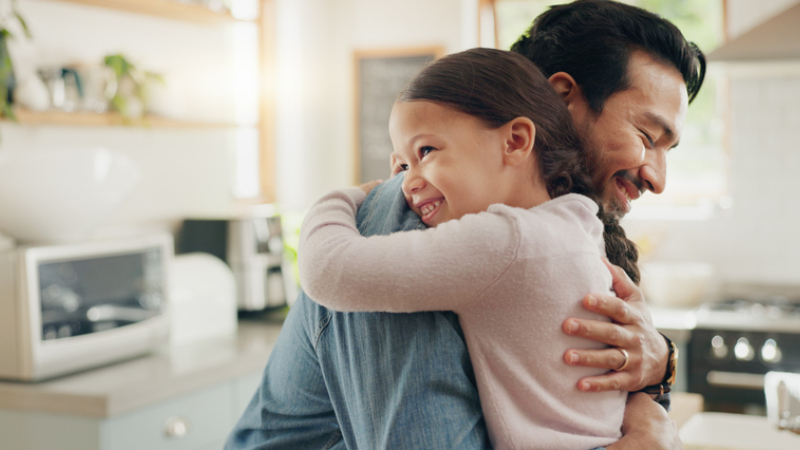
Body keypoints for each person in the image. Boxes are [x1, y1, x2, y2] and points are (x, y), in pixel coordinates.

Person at [225, 1, 704, 449]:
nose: (657, 178)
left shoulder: (571, 231)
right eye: (646, 136)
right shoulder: (408, 217)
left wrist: (656, 377)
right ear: (562, 99)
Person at [299, 47, 640, 450]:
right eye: (401, 167)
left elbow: (331, 272)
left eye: (426, 151)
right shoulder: (577, 224)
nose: (405, 184)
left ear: (515, 141)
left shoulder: (506, 243)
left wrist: (346, 197)